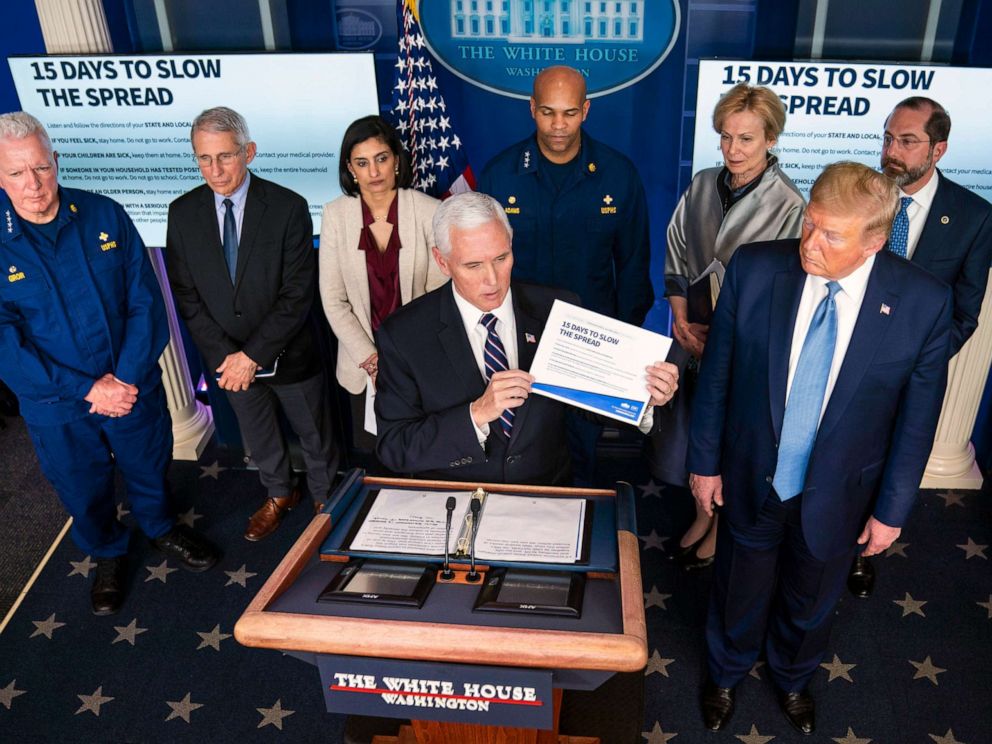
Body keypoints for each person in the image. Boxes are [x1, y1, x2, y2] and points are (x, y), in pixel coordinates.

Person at [688, 162, 952, 735]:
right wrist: (704, 463)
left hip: (842, 491)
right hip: (751, 472)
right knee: (738, 586)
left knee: (811, 602)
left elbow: (916, 423)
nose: (810, 243)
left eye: (831, 235)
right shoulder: (755, 269)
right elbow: (717, 376)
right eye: (810, 224)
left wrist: (891, 512)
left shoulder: (923, 303)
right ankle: (726, 672)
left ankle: (791, 677)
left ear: (875, 242)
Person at [0, 112, 219, 615]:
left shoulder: (104, 214)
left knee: (149, 465)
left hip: (131, 383)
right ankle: (107, 551)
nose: (33, 184)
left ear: (56, 161)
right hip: (58, 405)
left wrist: (122, 378)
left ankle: (162, 528)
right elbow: (6, 346)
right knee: (81, 487)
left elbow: (146, 302)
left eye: (40, 167)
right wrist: (89, 390)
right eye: (16, 173)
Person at [374, 191, 678, 485]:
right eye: (473, 265)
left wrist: (642, 397)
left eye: (501, 258)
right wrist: (477, 414)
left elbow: (588, 402)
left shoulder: (558, 309)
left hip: (547, 493)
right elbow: (395, 447)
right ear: (442, 262)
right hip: (454, 500)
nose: (492, 280)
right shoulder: (403, 334)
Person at [166, 106, 339, 540]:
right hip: (228, 361)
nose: (215, 169)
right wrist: (229, 357)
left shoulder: (287, 207)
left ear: (249, 152)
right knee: (258, 436)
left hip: (289, 355)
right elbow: (185, 295)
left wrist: (253, 355)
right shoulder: (182, 213)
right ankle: (279, 494)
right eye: (204, 158)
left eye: (225, 156)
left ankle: (326, 501)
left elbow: (297, 294)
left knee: (315, 434)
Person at [652, 83, 805, 570]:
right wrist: (678, 314)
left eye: (746, 139)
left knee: (731, 437)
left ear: (771, 140)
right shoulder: (701, 185)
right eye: (726, 137)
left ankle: (721, 522)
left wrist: (728, 335)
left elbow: (786, 291)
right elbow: (676, 249)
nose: (733, 150)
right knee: (694, 429)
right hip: (691, 334)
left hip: (745, 347)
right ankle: (701, 514)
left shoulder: (790, 205)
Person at [477, 65, 654, 485]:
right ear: (532, 109)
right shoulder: (500, 175)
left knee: (582, 454)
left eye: (570, 113)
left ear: (587, 110)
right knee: (518, 446)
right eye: (548, 112)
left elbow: (633, 268)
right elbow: (483, 263)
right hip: (517, 342)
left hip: (590, 343)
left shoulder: (618, 175)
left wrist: (622, 349)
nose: (559, 125)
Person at [848, 95, 992, 598]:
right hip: (841, 360)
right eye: (888, 138)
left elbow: (964, 313)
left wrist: (914, 363)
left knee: (887, 465)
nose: (892, 151)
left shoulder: (973, 216)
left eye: (907, 141)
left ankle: (864, 553)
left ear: (939, 149)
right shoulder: (856, 194)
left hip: (911, 375)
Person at [318, 115, 447, 462]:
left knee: (424, 453)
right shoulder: (335, 216)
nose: (373, 172)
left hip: (420, 360)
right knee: (375, 458)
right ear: (350, 168)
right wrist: (374, 361)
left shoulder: (430, 211)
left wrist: (402, 360)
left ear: (396, 160)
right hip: (363, 367)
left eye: (381, 158)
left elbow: (439, 298)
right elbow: (333, 299)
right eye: (362, 162)